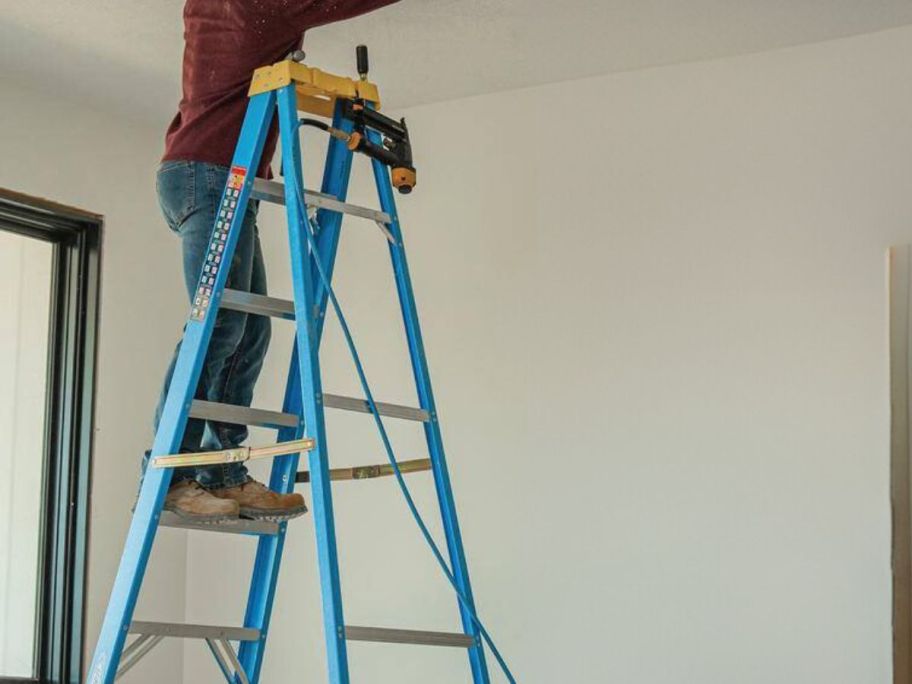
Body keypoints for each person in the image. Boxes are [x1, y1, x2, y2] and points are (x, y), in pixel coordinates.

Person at [152, 0, 399, 524]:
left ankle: (225, 472)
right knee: (219, 324)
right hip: (210, 175)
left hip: (215, 176)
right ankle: (172, 474)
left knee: (249, 328)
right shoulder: (256, 5)